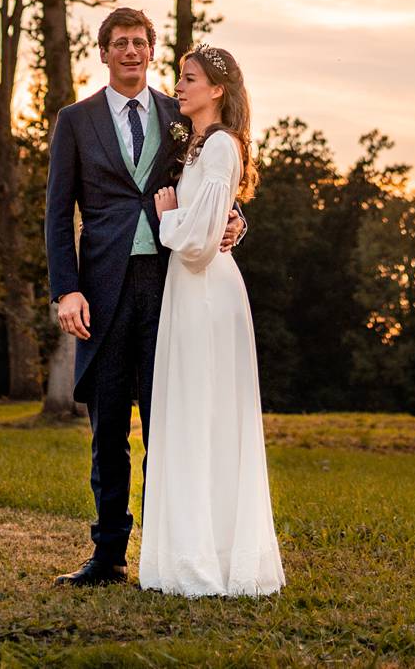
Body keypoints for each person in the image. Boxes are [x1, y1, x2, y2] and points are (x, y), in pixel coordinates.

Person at [45, 7, 245, 587]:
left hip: (170, 288)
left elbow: (213, 183)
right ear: (103, 52)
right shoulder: (75, 121)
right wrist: (67, 290)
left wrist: (237, 222)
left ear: (151, 51)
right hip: (102, 293)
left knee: (170, 425)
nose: (131, 51)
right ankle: (107, 556)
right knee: (108, 430)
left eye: (140, 42)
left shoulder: (178, 113)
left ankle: (168, 555)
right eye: (119, 43)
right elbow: (59, 214)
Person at [139, 43, 284, 597]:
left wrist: (168, 218)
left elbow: (198, 243)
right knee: (191, 414)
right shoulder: (196, 145)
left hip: (205, 292)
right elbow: (214, 217)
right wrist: (206, 220)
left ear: (218, 90)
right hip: (190, 291)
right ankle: (190, 554)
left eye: (189, 78)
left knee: (205, 415)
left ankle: (211, 562)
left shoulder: (221, 145)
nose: (179, 86)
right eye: (180, 77)